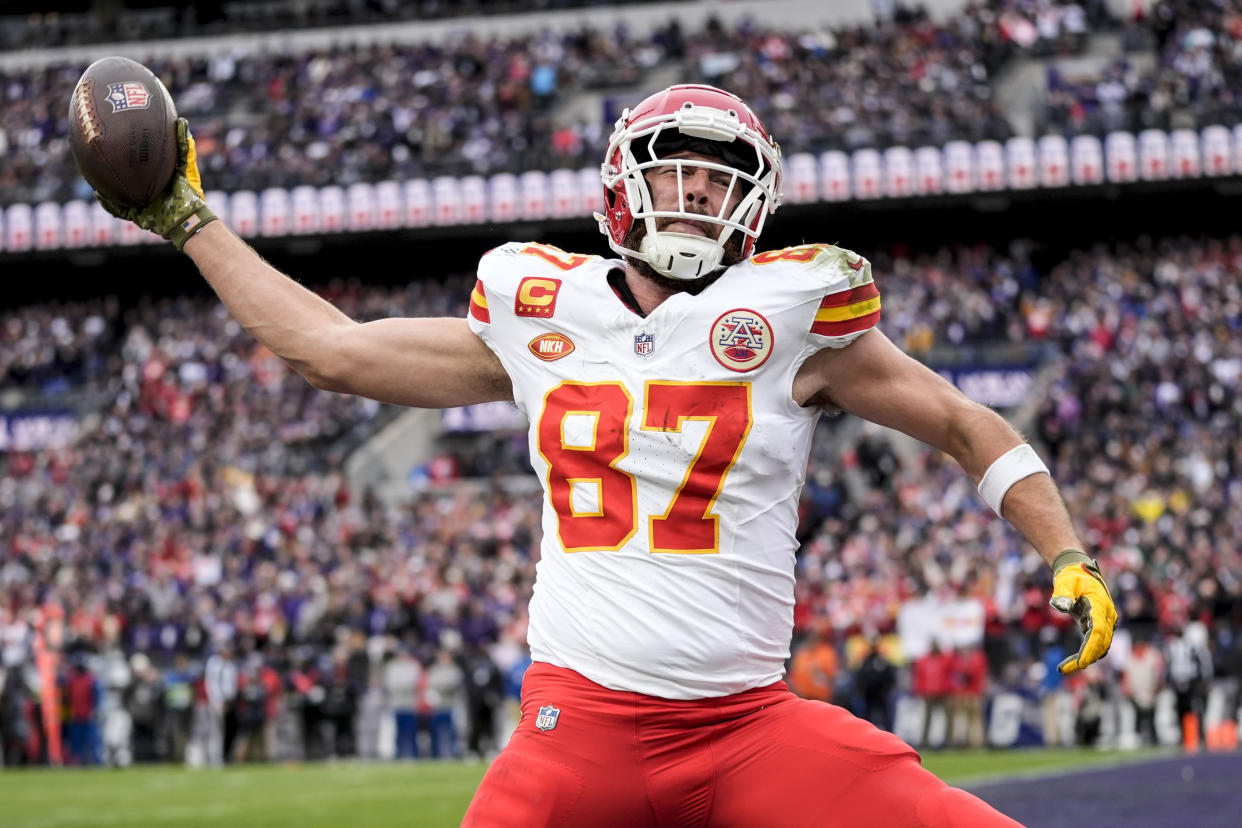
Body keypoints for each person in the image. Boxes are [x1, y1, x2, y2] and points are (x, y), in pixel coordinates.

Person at [94, 83, 1118, 826]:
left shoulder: (795, 312)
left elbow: (963, 423)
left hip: (751, 727)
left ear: (752, 209)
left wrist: (1066, 554)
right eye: (674, 176)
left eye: (717, 187)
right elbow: (330, 351)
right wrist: (190, 221)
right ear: (624, 186)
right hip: (578, 731)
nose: (692, 201)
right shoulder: (540, 305)